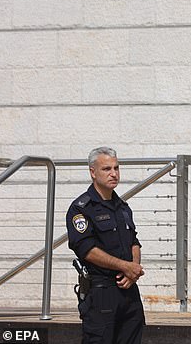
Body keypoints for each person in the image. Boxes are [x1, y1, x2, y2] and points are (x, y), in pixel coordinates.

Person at [66, 146, 145, 344]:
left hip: (129, 291)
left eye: (116, 168)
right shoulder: (81, 209)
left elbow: (134, 242)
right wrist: (126, 267)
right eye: (107, 169)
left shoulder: (123, 207)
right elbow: (87, 250)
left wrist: (132, 271)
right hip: (101, 293)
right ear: (93, 172)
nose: (114, 174)